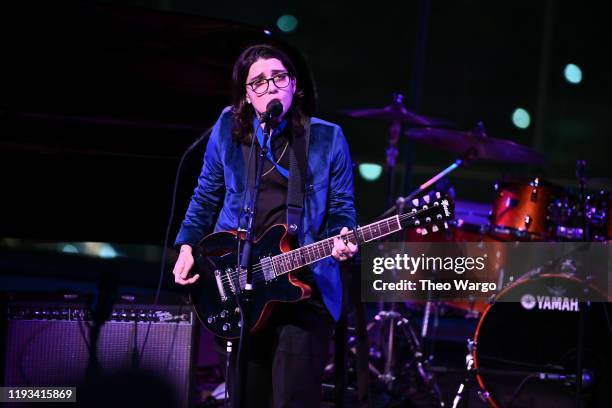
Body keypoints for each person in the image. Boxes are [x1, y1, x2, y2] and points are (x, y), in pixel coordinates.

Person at [172, 43, 357, 408]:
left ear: (295, 85)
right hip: (237, 285)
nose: (270, 86)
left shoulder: (327, 138)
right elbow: (206, 195)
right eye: (258, 81)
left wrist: (341, 236)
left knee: (292, 399)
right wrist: (188, 246)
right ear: (246, 94)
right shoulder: (227, 128)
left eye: (279, 77)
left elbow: (341, 209)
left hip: (305, 285)